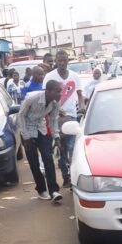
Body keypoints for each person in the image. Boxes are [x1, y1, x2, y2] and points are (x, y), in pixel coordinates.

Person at [44, 50, 85, 188]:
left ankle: (74, 177)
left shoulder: (74, 76)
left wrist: (82, 106)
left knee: (72, 147)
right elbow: (45, 96)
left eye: (64, 60)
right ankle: (66, 177)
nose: (62, 63)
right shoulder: (49, 76)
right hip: (55, 119)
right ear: (55, 61)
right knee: (60, 149)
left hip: (72, 117)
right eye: (59, 60)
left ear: (68, 61)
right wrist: (55, 108)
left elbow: (80, 95)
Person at [17, 80, 63, 202]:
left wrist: (56, 137)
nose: (60, 94)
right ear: (48, 91)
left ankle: (53, 190)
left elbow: (53, 120)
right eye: (57, 92)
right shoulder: (32, 98)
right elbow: (21, 116)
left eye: (60, 92)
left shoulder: (55, 103)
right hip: (27, 129)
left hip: (41, 128)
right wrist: (25, 136)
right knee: (34, 162)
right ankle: (41, 189)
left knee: (48, 158)